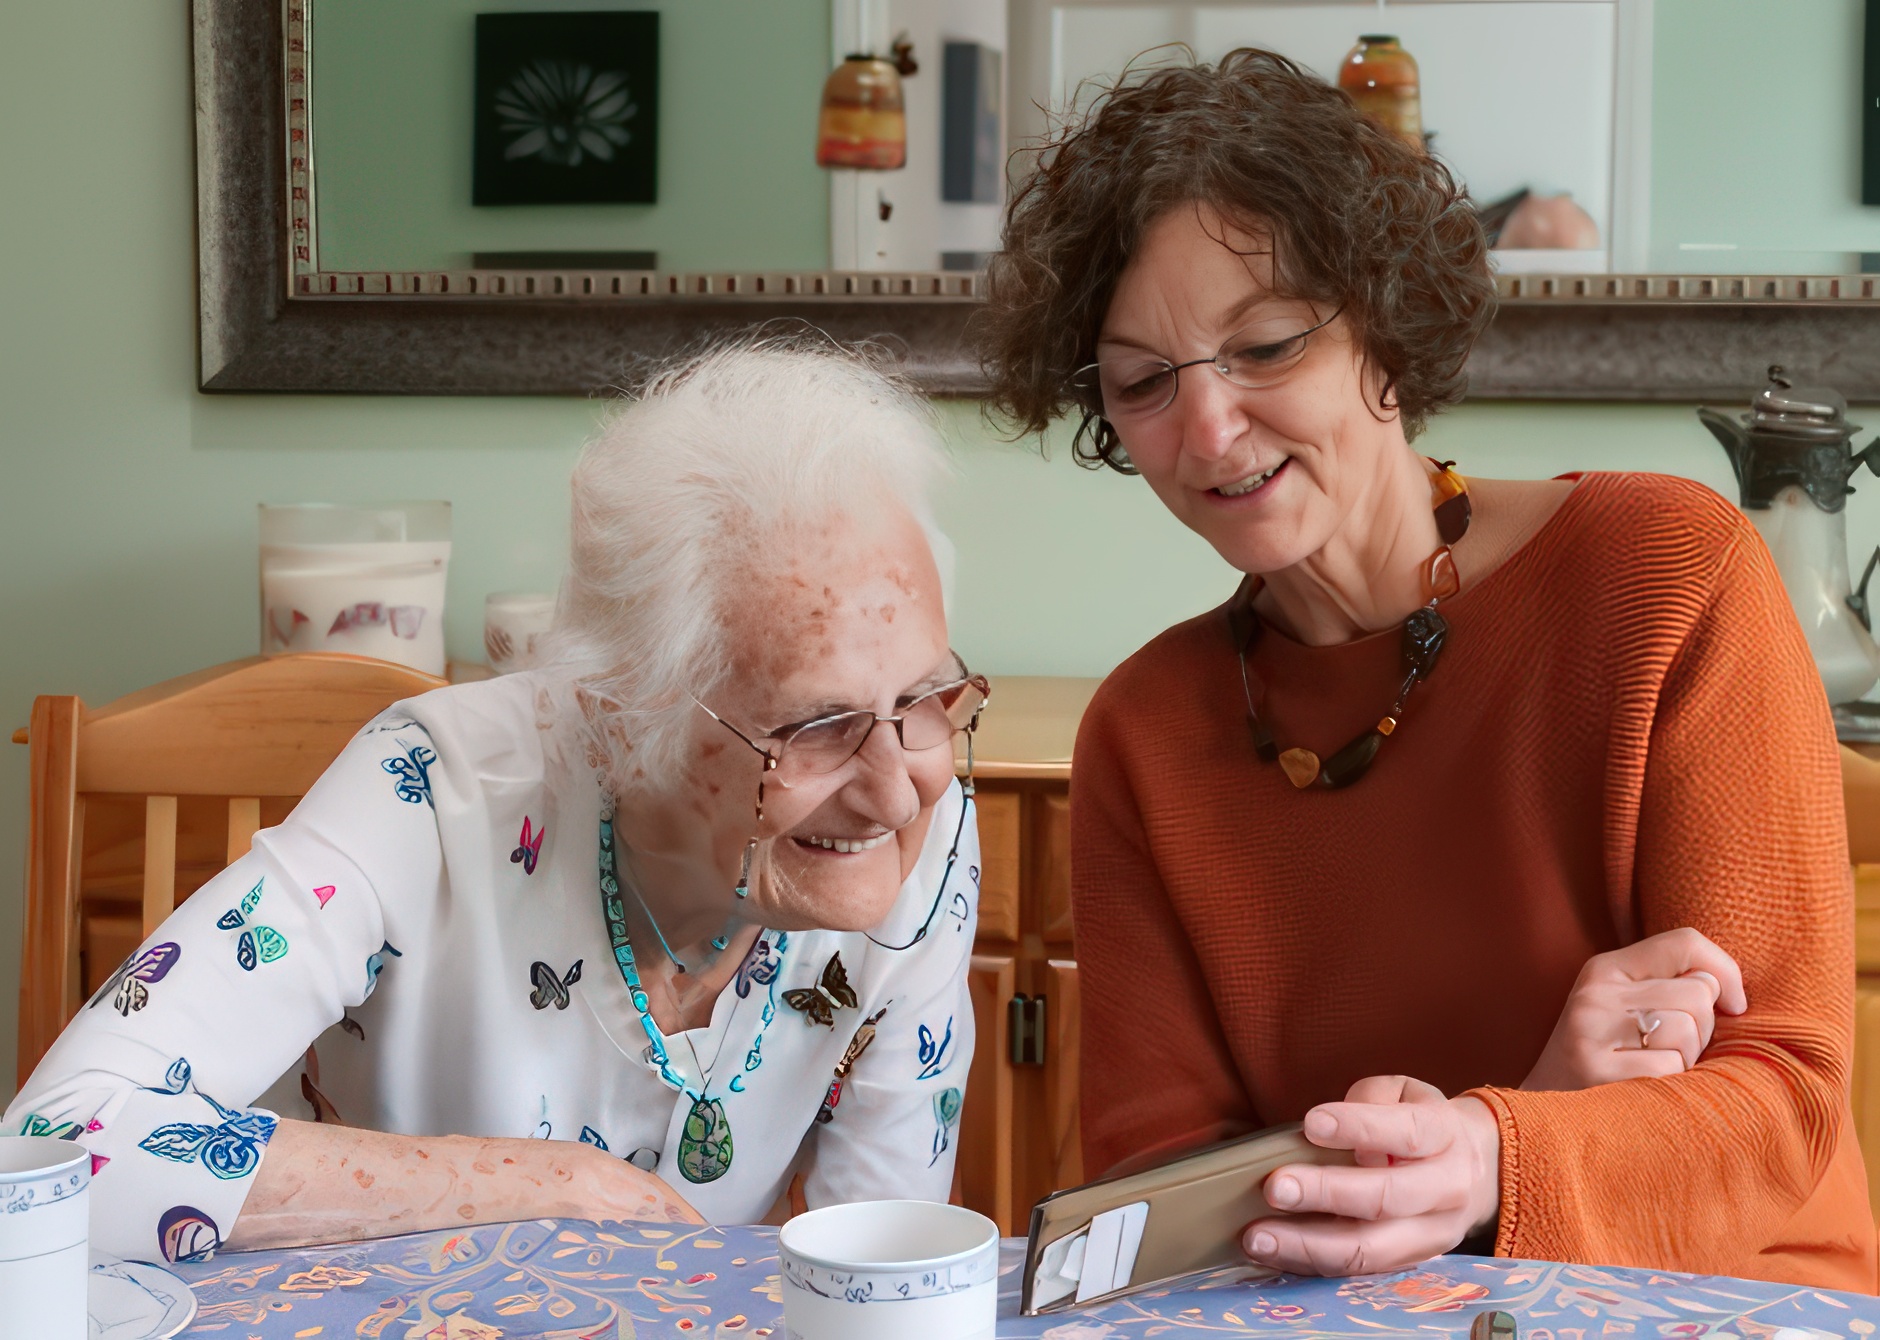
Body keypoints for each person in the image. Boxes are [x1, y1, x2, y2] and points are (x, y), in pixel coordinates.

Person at [979, 49, 1874, 1289]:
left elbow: (1777, 1105)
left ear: (1383, 331)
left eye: (1264, 347)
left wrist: (1489, 1152)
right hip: (1357, 1310)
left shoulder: (1668, 574)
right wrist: (1520, 1120)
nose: (1204, 428)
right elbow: (1156, 1215)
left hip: (1732, 1290)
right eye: (1142, 383)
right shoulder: (1143, 731)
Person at [8, 342, 988, 1265]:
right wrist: (534, 1186)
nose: (899, 786)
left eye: (923, 698)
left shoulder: (921, 834)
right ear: (619, 723)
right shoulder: (430, 794)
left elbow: (883, 1275)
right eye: (814, 727)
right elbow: (53, 1142)